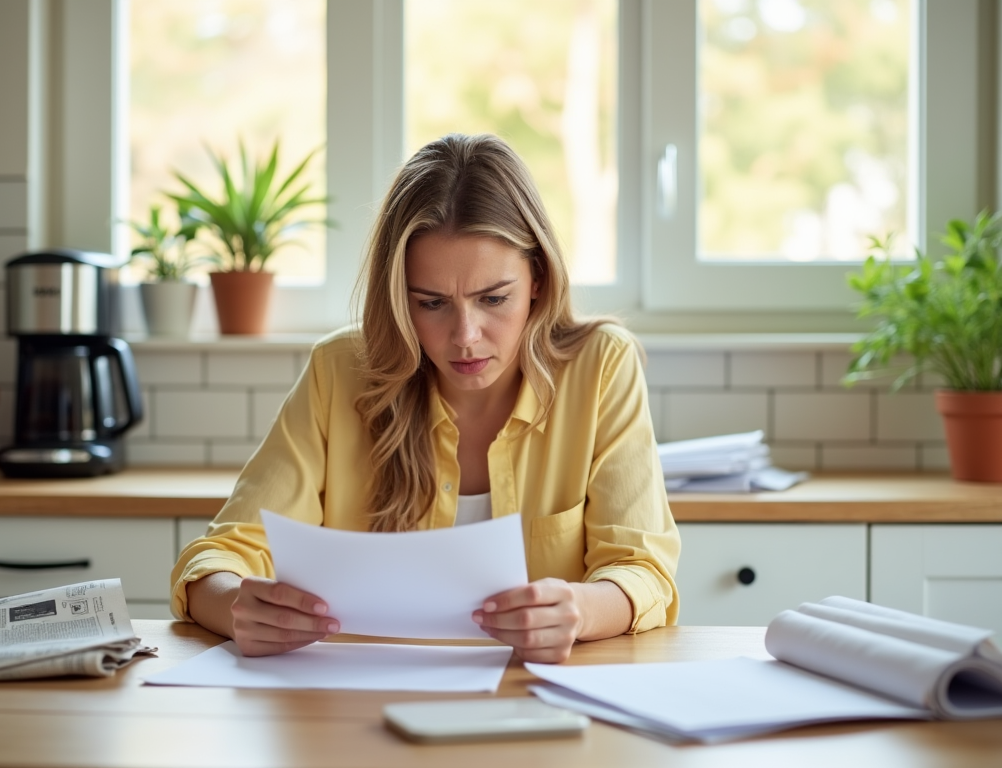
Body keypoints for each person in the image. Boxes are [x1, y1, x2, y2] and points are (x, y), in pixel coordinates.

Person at [171, 133, 680, 663]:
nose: (465, 335)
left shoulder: (600, 365)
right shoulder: (338, 370)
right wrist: (235, 606)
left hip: (542, 704)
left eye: (493, 299)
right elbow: (218, 557)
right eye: (432, 303)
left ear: (538, 279)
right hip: (362, 708)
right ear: (399, 297)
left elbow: (642, 571)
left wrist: (580, 608)